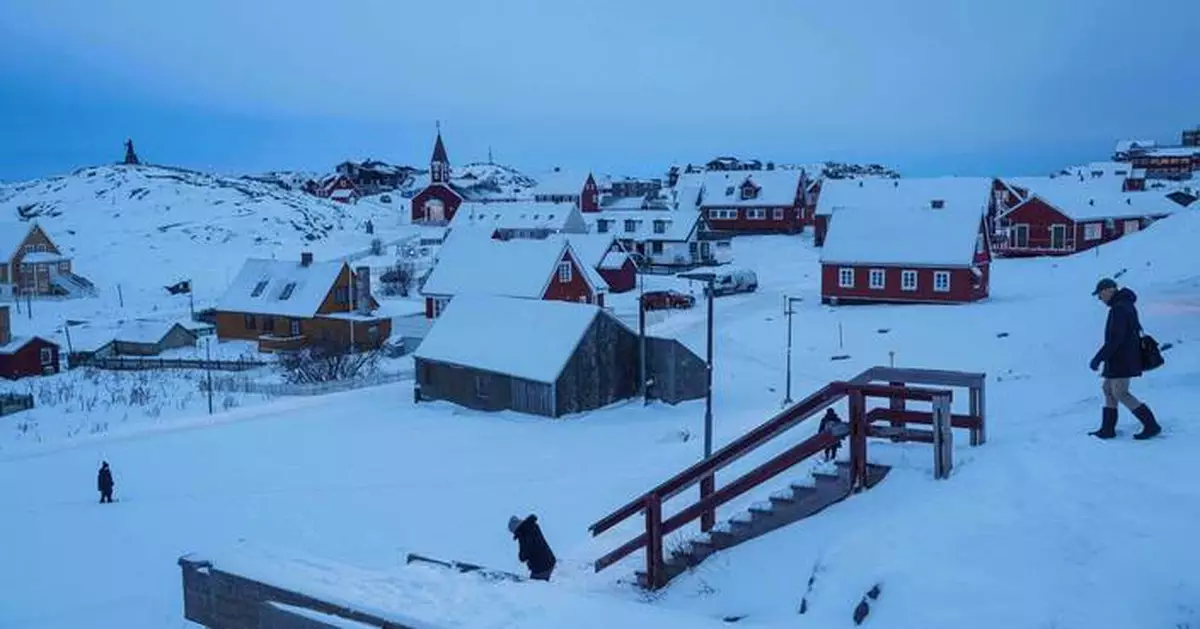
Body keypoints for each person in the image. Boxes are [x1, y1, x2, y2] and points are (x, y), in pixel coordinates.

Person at [1088, 278, 1161, 440]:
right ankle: (1107, 429)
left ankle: (1151, 425)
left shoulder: (1119, 308)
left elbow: (1116, 338)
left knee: (1120, 393)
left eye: (1100, 295)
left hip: (1122, 358)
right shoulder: (1124, 305)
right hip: (1121, 357)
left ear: (1109, 290)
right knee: (1108, 389)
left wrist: (1098, 358)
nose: (1100, 299)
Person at [508, 514, 556, 581]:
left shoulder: (524, 533)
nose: (514, 533)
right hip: (547, 561)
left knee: (536, 586)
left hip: (543, 566)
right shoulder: (531, 527)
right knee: (537, 584)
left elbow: (524, 555)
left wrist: (523, 555)